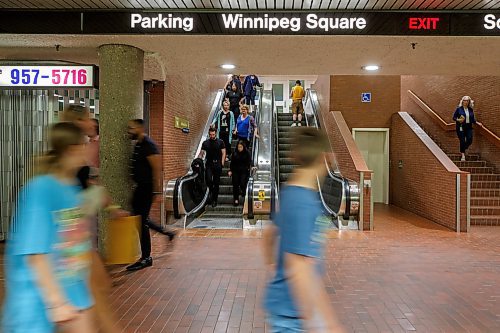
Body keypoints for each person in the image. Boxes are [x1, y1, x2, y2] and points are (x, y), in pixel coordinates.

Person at [2, 122, 95, 333]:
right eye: (87, 142)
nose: (90, 146)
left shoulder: (71, 188)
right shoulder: (41, 189)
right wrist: (57, 302)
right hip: (37, 299)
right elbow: (35, 254)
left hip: (71, 291)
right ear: (74, 148)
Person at [263, 127, 344, 332]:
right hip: (294, 316)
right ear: (323, 158)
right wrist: (326, 323)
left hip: (286, 309)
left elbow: (268, 234)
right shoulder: (304, 203)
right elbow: (299, 265)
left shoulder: (290, 192)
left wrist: (274, 265)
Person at [127, 119, 176, 271]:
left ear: (140, 128)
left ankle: (146, 257)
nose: (129, 131)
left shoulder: (149, 145)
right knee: (140, 219)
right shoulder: (139, 144)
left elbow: (157, 169)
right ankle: (166, 233)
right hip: (140, 188)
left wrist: (158, 191)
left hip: (147, 189)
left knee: (141, 221)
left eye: (131, 128)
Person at [199, 127, 226, 208]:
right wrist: (198, 160)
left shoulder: (220, 142)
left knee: (216, 183)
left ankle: (214, 200)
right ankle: (211, 192)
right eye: (210, 134)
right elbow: (202, 153)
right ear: (208, 134)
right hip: (209, 164)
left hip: (218, 164)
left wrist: (222, 163)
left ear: (216, 134)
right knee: (209, 180)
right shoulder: (205, 143)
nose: (212, 136)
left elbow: (224, 152)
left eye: (213, 134)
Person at [452, 96, 481, 161]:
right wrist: (458, 120)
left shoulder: (470, 110)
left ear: (469, 102)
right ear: (462, 101)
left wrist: (477, 123)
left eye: (467, 101)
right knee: (462, 140)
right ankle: (463, 155)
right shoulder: (459, 109)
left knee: (470, 139)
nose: (466, 102)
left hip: (468, 127)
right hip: (460, 127)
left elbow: (472, 119)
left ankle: (463, 149)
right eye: (464, 100)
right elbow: (454, 117)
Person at [228, 140, 251, 206]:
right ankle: (236, 199)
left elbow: (249, 161)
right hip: (235, 170)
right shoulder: (235, 153)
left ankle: (243, 190)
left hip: (244, 170)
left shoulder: (247, 153)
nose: (239, 149)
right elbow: (232, 163)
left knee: (242, 182)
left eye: (241, 147)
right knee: (235, 184)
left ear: (243, 147)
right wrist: (230, 170)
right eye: (238, 147)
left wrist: (250, 167)